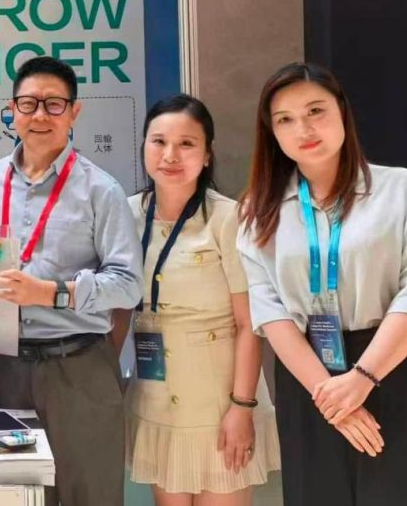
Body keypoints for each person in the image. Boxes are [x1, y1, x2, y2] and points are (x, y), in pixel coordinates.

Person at [0, 55, 143, 506]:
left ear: (74, 112)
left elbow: (128, 284)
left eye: (53, 104)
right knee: (20, 496)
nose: (40, 115)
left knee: (91, 496)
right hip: (7, 369)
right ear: (12, 110)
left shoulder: (101, 190)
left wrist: (51, 293)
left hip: (78, 366)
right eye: (28, 103)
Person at [237, 62, 407, 505]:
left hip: (393, 365)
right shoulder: (258, 211)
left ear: (342, 112)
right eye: (285, 119)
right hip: (309, 380)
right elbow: (270, 311)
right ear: (272, 133)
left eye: (316, 111)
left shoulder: (401, 190)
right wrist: (329, 396)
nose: (304, 129)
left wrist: (363, 379)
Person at [120, 94, 279, 505]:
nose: (171, 155)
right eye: (159, 141)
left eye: (187, 144)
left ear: (207, 155)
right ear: (144, 146)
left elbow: (249, 324)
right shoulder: (125, 214)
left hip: (219, 403)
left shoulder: (229, 218)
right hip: (155, 399)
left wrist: (242, 407)